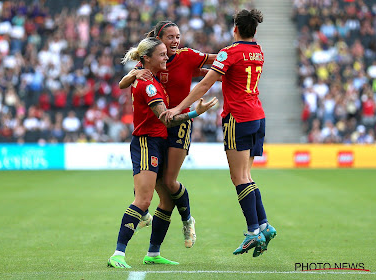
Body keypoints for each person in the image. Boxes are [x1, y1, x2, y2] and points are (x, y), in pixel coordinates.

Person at [161, 9, 277, 257]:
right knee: (247, 175)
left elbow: (205, 84)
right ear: (254, 30)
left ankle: (253, 231)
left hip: (238, 117)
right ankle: (264, 225)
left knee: (239, 178)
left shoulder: (230, 52)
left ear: (235, 27)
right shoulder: (258, 51)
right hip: (257, 116)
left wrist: (179, 107)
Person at [107, 37, 217, 268]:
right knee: (144, 199)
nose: (167, 56)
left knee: (166, 198)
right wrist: (195, 113)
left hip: (158, 141)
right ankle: (118, 253)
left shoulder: (148, 76)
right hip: (148, 142)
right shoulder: (148, 84)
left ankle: (153, 253)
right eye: (162, 54)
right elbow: (166, 120)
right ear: (147, 59)